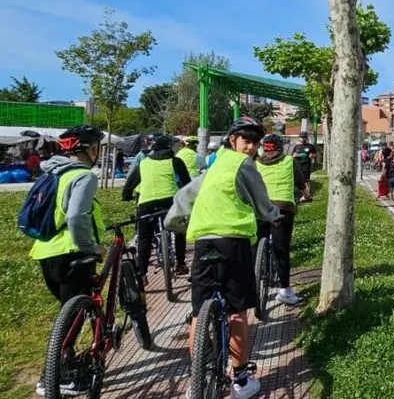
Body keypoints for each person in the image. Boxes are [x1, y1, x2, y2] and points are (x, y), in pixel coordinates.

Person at [166, 117, 279, 399]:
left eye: (256, 142)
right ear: (233, 141)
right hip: (234, 242)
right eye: (246, 141)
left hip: (204, 243)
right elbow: (263, 204)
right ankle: (240, 381)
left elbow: (183, 198)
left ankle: (197, 378)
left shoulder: (212, 169)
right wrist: (275, 217)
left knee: (197, 312)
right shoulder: (245, 166)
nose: (252, 148)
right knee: (238, 311)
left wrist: (178, 225)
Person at [30, 125, 106, 397]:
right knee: (73, 314)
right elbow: (76, 216)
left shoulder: (52, 172)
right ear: (90, 149)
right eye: (98, 147)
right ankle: (55, 376)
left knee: (67, 313)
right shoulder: (83, 176)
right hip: (74, 252)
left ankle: (62, 365)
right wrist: (91, 247)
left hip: (46, 252)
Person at [122, 135, 192, 280]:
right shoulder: (175, 161)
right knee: (179, 230)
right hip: (170, 201)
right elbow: (187, 183)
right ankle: (180, 264)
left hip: (146, 203)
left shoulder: (144, 163)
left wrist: (126, 196)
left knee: (145, 237)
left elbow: (130, 184)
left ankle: (142, 274)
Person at [255, 134, 307, 305]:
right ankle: (284, 291)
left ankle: (254, 278)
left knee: (255, 245)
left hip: (260, 209)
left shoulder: (255, 163)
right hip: (283, 208)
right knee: (281, 250)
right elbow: (301, 183)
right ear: (279, 147)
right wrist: (305, 195)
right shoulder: (288, 161)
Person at [291, 131, 317, 202]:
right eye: (301, 137)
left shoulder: (310, 146)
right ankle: (298, 193)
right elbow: (292, 155)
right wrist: (294, 155)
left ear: (306, 138)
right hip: (297, 166)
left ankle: (307, 195)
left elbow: (315, 155)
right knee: (296, 179)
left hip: (306, 166)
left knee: (306, 180)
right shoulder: (297, 146)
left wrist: (312, 156)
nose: (302, 139)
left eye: (303, 137)